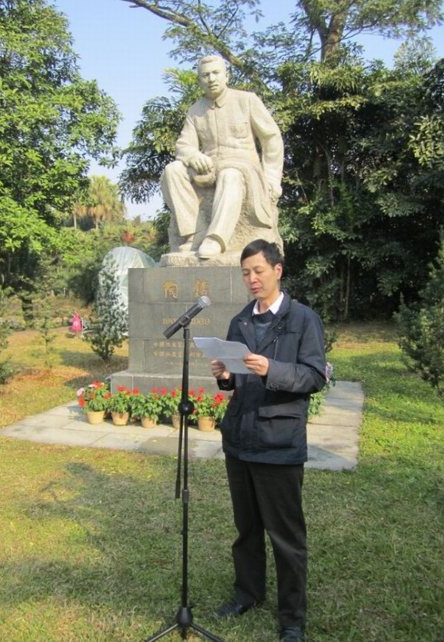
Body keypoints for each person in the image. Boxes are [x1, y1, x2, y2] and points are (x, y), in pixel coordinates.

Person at [210, 239, 326, 642]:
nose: (252, 279)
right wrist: (226, 377)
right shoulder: (240, 321)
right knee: (246, 529)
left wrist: (271, 369)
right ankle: (248, 593)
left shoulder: (303, 319)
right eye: (245, 273)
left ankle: (292, 618)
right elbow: (235, 382)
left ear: (278, 270)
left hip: (279, 442)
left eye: (258, 270)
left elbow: (314, 376)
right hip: (240, 438)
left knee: (286, 537)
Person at [161, 55, 284, 259]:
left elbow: (271, 139)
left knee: (230, 174)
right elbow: (183, 145)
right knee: (172, 170)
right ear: (200, 80)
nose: (211, 79)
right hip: (209, 170)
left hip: (243, 169)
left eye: (215, 73)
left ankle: (215, 238)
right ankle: (195, 233)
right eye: (205, 75)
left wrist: (272, 179)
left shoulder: (247, 100)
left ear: (227, 75)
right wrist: (193, 155)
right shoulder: (195, 110)